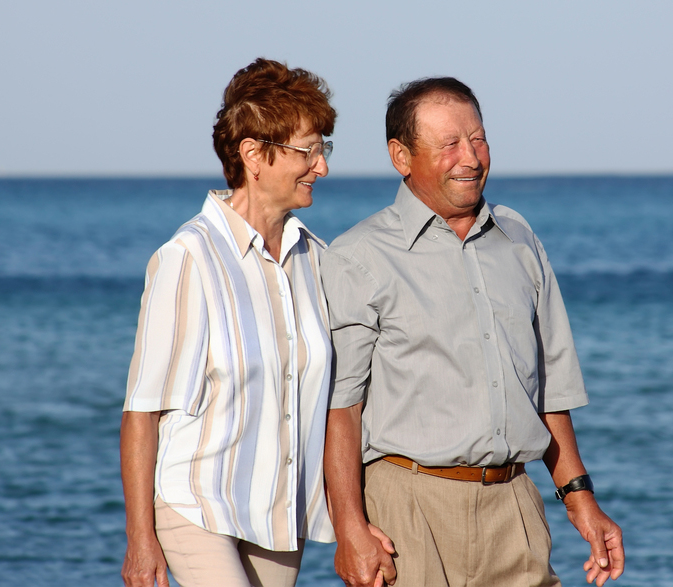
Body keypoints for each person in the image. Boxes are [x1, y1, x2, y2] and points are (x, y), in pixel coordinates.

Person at [321, 77, 625, 587]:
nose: (471, 157)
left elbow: (549, 389)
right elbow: (340, 408)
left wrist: (580, 499)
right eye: (449, 145)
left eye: (478, 139)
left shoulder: (520, 241)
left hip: (516, 507)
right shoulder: (358, 257)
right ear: (401, 156)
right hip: (408, 512)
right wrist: (349, 526)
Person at [120, 58, 337, 587]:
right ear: (253, 155)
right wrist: (140, 538)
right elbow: (142, 412)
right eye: (308, 151)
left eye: (324, 149)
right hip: (197, 505)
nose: (322, 167)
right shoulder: (188, 257)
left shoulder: (317, 259)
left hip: (281, 514)